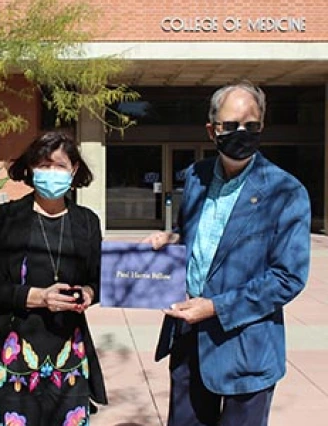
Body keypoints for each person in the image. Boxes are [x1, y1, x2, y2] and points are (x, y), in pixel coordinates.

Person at [144, 81, 311, 426]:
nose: (240, 133)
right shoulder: (195, 176)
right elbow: (201, 235)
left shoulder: (286, 191)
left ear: (262, 128)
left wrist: (216, 307)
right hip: (188, 340)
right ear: (211, 130)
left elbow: (288, 277)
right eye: (230, 125)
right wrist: (172, 240)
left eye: (250, 126)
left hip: (245, 348)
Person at [0, 131, 107, 425]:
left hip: (69, 350)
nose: (51, 173)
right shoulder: (7, 217)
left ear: (74, 170)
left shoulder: (87, 222)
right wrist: (39, 297)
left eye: (59, 166)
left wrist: (88, 293)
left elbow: (99, 280)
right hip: (15, 348)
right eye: (43, 165)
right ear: (30, 169)